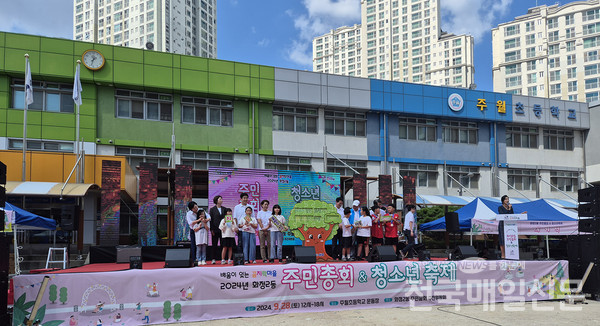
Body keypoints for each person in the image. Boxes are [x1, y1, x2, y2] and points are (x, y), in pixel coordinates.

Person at [497, 195, 528, 259]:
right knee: (502, 239)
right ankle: (503, 255)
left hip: (510, 225)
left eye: (508, 199)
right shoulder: (500, 207)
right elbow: (504, 215)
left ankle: (510, 254)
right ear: (503, 201)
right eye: (506, 199)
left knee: (510, 239)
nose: (507, 200)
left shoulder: (511, 207)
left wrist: (519, 214)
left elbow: (511, 215)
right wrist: (508, 209)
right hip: (502, 224)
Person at [209, 195, 227, 264]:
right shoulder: (212, 209)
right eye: (220, 199)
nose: (221, 200)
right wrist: (212, 230)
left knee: (223, 244)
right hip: (215, 229)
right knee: (214, 244)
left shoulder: (224, 209)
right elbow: (211, 220)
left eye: (221, 199)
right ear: (216, 201)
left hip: (223, 229)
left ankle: (223, 259)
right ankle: (213, 259)